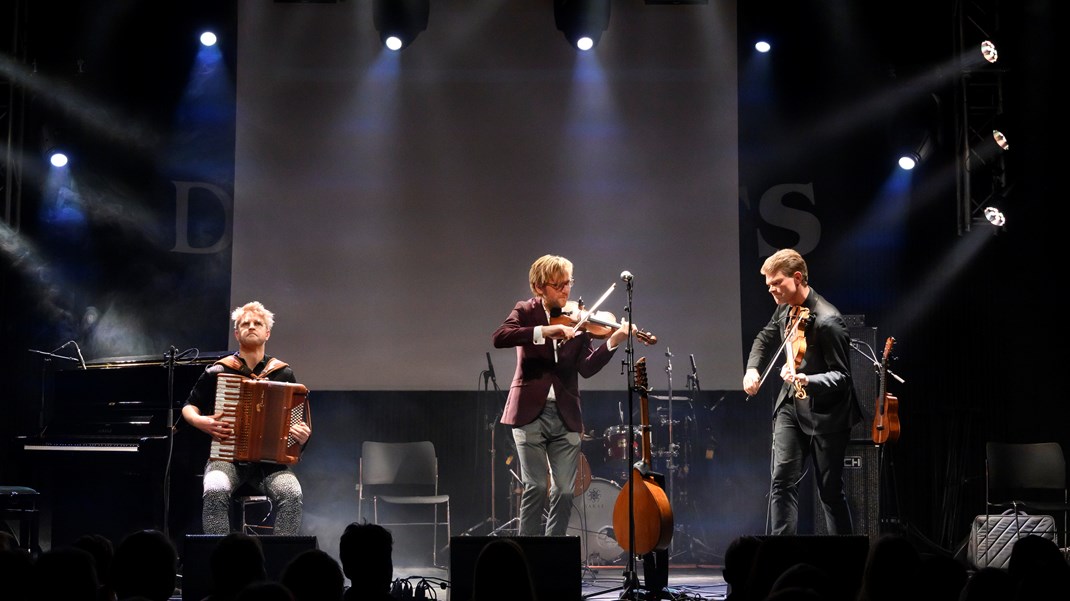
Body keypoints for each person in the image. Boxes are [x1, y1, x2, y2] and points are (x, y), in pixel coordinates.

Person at [492, 254, 629, 536]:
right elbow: (500, 336)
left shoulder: (579, 318)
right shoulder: (525, 310)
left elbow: (587, 368)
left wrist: (613, 341)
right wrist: (545, 331)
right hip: (529, 413)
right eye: (558, 285)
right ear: (540, 286)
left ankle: (552, 558)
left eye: (568, 283)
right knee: (536, 486)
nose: (566, 291)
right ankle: (527, 558)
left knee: (565, 490)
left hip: (566, 415)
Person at [742, 248, 861, 535]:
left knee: (830, 492)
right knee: (781, 481)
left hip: (827, 414)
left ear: (797, 278)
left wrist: (807, 379)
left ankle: (847, 560)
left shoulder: (828, 320)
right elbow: (765, 336)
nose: (771, 289)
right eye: (768, 284)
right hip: (791, 407)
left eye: (776, 283)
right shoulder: (786, 306)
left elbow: (842, 376)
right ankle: (780, 555)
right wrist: (752, 369)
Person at [182, 301, 311, 536]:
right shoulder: (218, 371)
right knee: (215, 487)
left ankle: (278, 564)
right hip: (227, 459)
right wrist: (201, 421)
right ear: (236, 333)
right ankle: (218, 560)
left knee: (292, 494)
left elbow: (297, 421)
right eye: (245, 324)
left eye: (258, 323)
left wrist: (301, 436)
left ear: (267, 333)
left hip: (269, 465)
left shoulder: (283, 373)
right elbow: (190, 406)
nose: (251, 327)